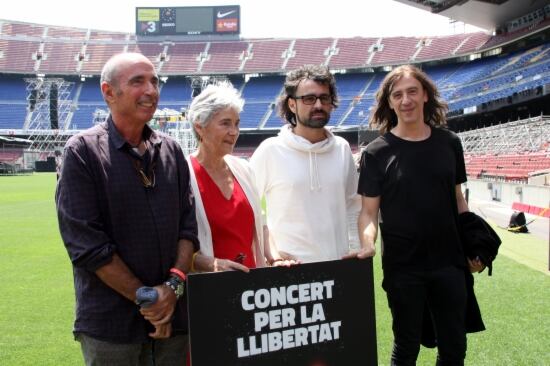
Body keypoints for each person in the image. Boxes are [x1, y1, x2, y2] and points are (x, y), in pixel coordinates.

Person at [55, 52, 199, 366]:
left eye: (154, 81)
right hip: (112, 328)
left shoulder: (172, 150)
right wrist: (149, 300)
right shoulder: (81, 152)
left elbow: (188, 230)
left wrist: (171, 290)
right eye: (138, 82)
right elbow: (88, 247)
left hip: (173, 324)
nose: (151, 90)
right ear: (109, 92)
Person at [356, 64, 485, 365]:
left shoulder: (450, 143)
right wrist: (367, 243)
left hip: (450, 263)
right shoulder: (376, 153)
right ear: (389, 102)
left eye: (412, 91)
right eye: (397, 94)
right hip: (403, 267)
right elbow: (368, 212)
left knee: (454, 347)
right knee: (406, 347)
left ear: (425, 95)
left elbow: (458, 200)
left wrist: (472, 244)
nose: (406, 100)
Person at [249, 64, 360, 263]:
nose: (318, 105)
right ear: (292, 104)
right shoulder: (271, 150)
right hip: (289, 271)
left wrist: (356, 249)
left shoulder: (342, 149)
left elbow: (353, 205)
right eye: (309, 98)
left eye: (324, 98)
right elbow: (250, 206)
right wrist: (271, 252)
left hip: (338, 268)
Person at [186, 82, 290, 272]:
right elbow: (173, 243)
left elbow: (261, 226)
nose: (234, 132)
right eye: (225, 123)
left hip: (250, 291)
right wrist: (211, 264)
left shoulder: (244, 170)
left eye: (237, 124)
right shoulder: (184, 174)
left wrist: (275, 259)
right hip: (208, 290)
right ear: (200, 127)